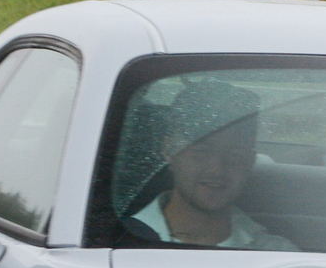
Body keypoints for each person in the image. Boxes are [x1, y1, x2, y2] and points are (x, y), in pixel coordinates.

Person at [125, 80, 296, 249]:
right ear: (169, 151)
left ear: (250, 161)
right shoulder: (121, 244)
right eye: (201, 151)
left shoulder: (278, 255)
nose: (217, 169)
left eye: (235, 155)